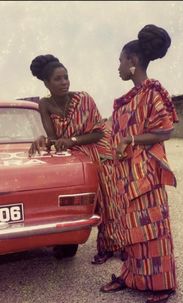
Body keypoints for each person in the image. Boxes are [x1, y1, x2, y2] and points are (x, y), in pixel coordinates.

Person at [100, 25, 178, 303]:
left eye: (121, 60)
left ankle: (162, 284)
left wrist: (130, 139)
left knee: (153, 227)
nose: (118, 66)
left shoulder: (152, 92)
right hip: (126, 174)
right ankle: (132, 276)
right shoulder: (131, 96)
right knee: (131, 226)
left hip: (146, 173)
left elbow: (165, 130)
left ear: (132, 62)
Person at [28, 54, 120, 264]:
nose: (64, 82)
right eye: (58, 79)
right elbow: (53, 138)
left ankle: (112, 246)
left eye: (66, 77)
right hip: (73, 157)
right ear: (46, 83)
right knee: (87, 202)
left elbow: (99, 132)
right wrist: (43, 140)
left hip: (99, 152)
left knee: (110, 199)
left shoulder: (84, 98)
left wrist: (72, 140)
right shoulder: (45, 104)